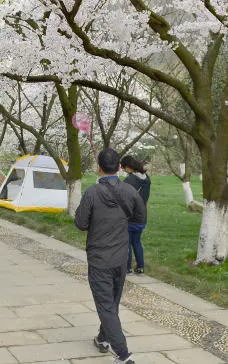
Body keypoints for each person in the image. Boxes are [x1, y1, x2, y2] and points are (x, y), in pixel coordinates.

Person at [75, 148, 145, 364]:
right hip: (120, 258)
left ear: (98, 168)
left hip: (99, 259)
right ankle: (103, 338)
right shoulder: (131, 191)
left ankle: (124, 355)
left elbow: (80, 223)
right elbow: (140, 217)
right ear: (118, 168)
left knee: (106, 305)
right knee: (111, 302)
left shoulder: (91, 193)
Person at [120, 154, 150, 274]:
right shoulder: (146, 179)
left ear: (128, 167)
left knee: (126, 242)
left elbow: (121, 196)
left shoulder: (130, 180)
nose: (124, 171)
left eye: (124, 168)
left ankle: (127, 268)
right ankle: (140, 267)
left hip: (130, 216)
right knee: (136, 241)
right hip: (142, 216)